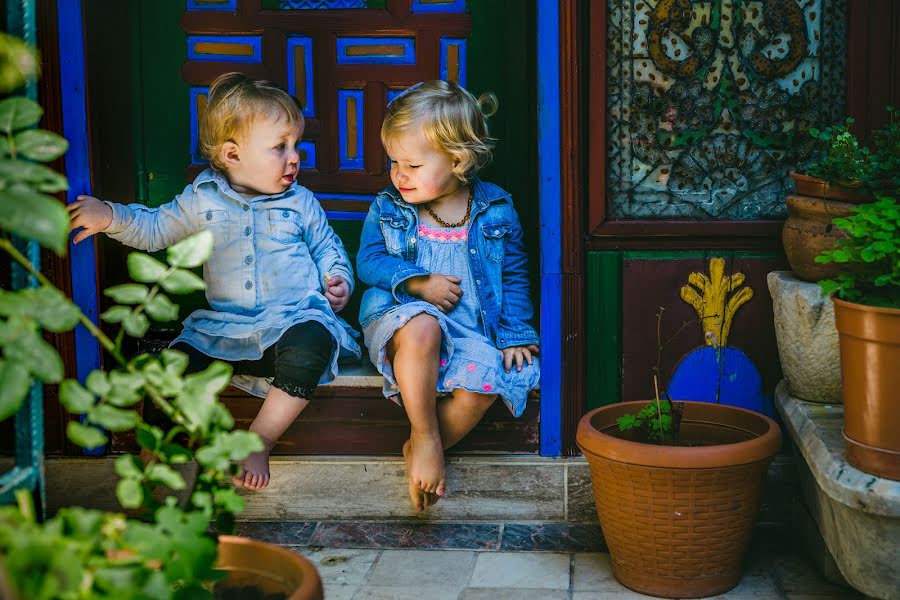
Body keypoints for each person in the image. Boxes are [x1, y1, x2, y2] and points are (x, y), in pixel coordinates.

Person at [67, 72, 360, 490]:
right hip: (224, 331)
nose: (295, 157)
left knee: (314, 339)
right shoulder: (201, 199)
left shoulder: (301, 202)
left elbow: (328, 247)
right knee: (169, 369)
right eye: (280, 147)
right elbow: (153, 229)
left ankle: (259, 439)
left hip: (290, 323)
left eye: (296, 145)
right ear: (232, 154)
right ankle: (156, 455)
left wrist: (337, 278)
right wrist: (109, 216)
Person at [357, 80, 540, 512]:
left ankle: (422, 445)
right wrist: (416, 282)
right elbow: (368, 261)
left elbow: (513, 273)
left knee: (490, 378)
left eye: (413, 165)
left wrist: (515, 332)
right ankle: (425, 437)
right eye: (394, 161)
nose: (399, 174)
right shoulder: (388, 207)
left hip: (472, 329)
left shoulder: (496, 208)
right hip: (400, 319)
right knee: (422, 325)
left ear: (457, 160)